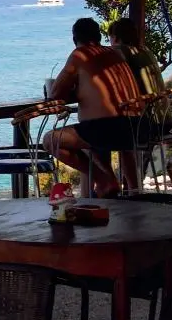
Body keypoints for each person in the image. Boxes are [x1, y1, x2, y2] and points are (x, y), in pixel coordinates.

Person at [42, 18, 144, 198]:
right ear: (99, 36)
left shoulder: (79, 55)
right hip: (137, 126)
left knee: (50, 140)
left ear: (75, 39)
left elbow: (55, 93)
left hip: (107, 129)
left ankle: (104, 180)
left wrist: (73, 89)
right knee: (89, 135)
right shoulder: (114, 53)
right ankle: (110, 186)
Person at [107, 18, 169, 190]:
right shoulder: (146, 50)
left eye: (110, 38)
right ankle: (132, 189)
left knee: (105, 136)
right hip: (165, 121)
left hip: (146, 123)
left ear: (115, 37)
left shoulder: (120, 51)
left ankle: (122, 188)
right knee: (122, 137)